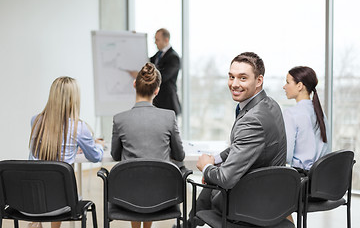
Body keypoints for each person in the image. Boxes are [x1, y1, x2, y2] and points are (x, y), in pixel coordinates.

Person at [188, 52, 287, 227]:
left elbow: (226, 179)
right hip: (274, 194)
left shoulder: (252, 120)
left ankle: (189, 224)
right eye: (231, 77)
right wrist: (215, 160)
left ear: (259, 81)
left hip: (250, 204)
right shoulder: (270, 104)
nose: (234, 84)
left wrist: (206, 168)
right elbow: (241, 145)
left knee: (207, 183)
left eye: (242, 78)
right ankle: (189, 224)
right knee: (211, 177)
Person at [111, 62, 185, 228]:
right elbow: (180, 155)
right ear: (157, 90)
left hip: (128, 195)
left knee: (137, 182)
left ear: (134, 84)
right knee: (150, 182)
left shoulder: (119, 119)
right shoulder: (169, 116)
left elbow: (116, 156)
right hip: (162, 195)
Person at [28, 76, 104, 228]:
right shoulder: (79, 128)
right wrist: (98, 145)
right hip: (63, 202)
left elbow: (48, 147)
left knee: (50, 184)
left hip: (33, 198)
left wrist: (73, 147)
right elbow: (96, 157)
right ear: (73, 99)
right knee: (59, 190)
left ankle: (38, 221)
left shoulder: (35, 121)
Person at [283, 66, 330, 171]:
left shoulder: (290, 114)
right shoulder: (320, 113)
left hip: (302, 179)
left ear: (299, 86)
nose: (284, 87)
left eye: (288, 82)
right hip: (322, 177)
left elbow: (287, 156)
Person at [150, 28, 181, 116]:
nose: (155, 42)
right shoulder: (156, 56)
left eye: (157, 40)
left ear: (166, 40)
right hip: (157, 103)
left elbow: (163, 77)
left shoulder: (173, 57)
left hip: (168, 104)